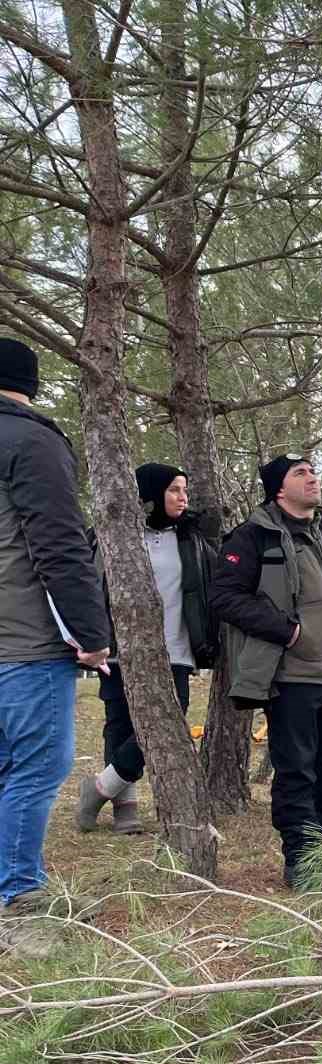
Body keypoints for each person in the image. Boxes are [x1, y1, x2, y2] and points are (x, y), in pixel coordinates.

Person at [213, 454, 322, 890]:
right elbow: (224, 596)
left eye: (313, 471)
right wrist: (286, 631)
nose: (312, 478)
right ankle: (302, 857)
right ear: (278, 488)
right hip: (292, 676)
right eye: (299, 473)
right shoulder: (254, 536)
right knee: (297, 770)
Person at [0, 337, 111, 953]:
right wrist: (92, 635)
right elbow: (61, 546)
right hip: (24, 640)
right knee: (38, 766)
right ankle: (19, 899)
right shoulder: (30, 440)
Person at [78, 464, 218, 836]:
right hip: (121, 648)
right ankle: (125, 806)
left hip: (176, 648)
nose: (183, 497)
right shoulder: (112, 536)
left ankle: (100, 788)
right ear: (151, 493)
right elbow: (89, 585)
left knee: (171, 718)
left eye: (184, 490)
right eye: (174, 489)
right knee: (121, 724)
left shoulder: (191, 538)